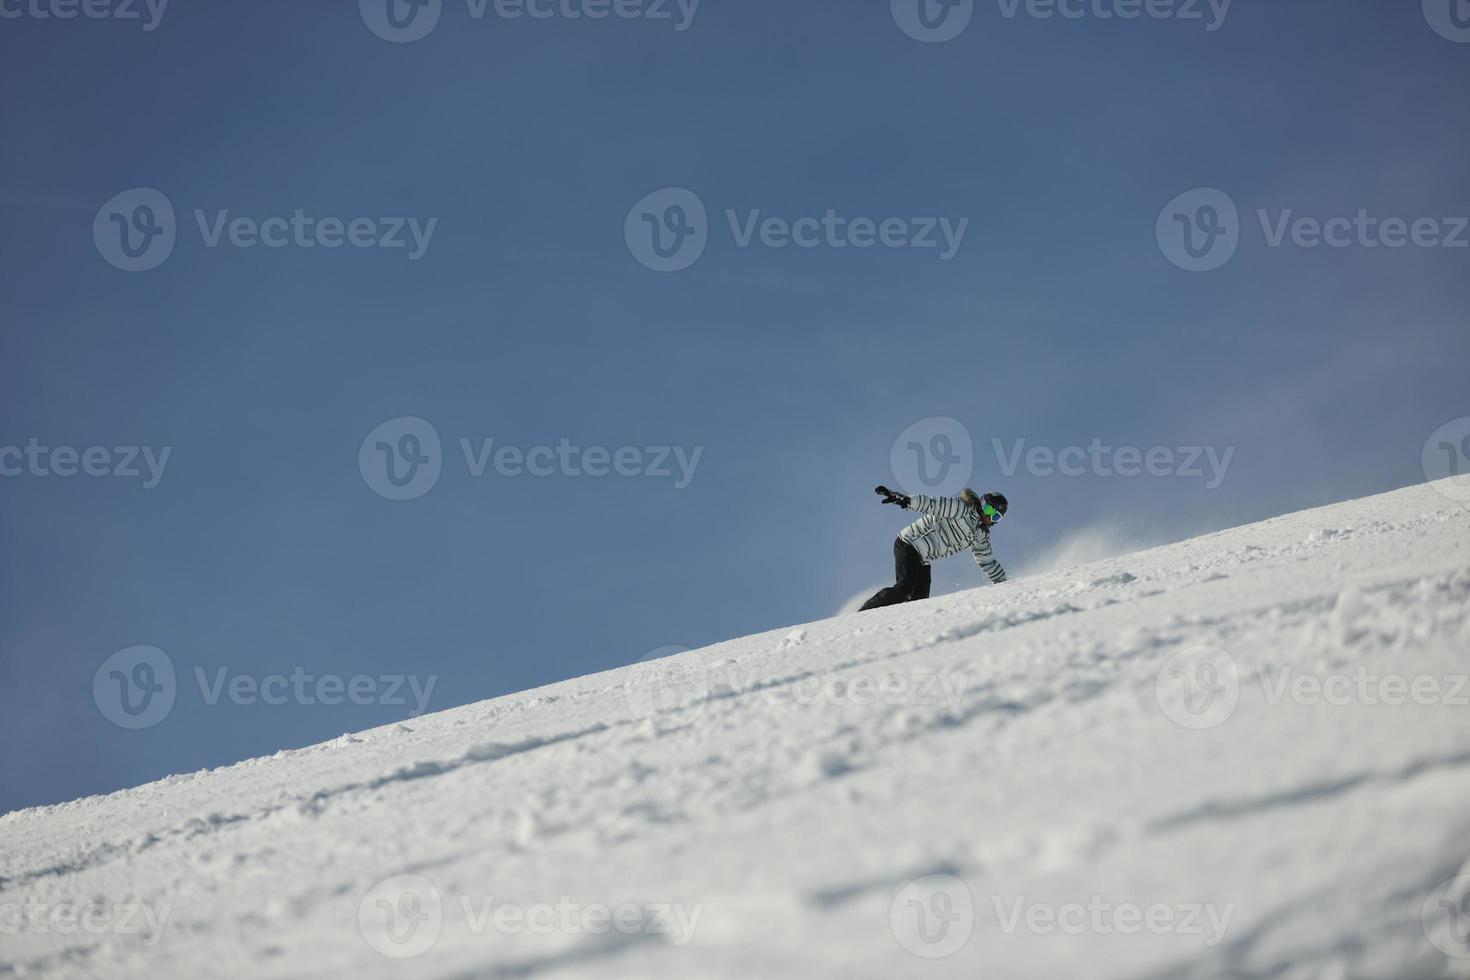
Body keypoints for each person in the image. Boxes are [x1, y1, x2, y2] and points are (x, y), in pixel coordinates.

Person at [860, 486, 1008, 611]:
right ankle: (863, 614)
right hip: (909, 543)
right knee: (904, 590)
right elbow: (932, 504)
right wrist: (904, 500)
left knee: (920, 602)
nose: (990, 518)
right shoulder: (962, 509)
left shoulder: (980, 535)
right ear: (982, 504)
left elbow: (987, 562)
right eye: (989, 510)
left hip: (923, 558)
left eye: (996, 517)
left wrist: (1004, 585)